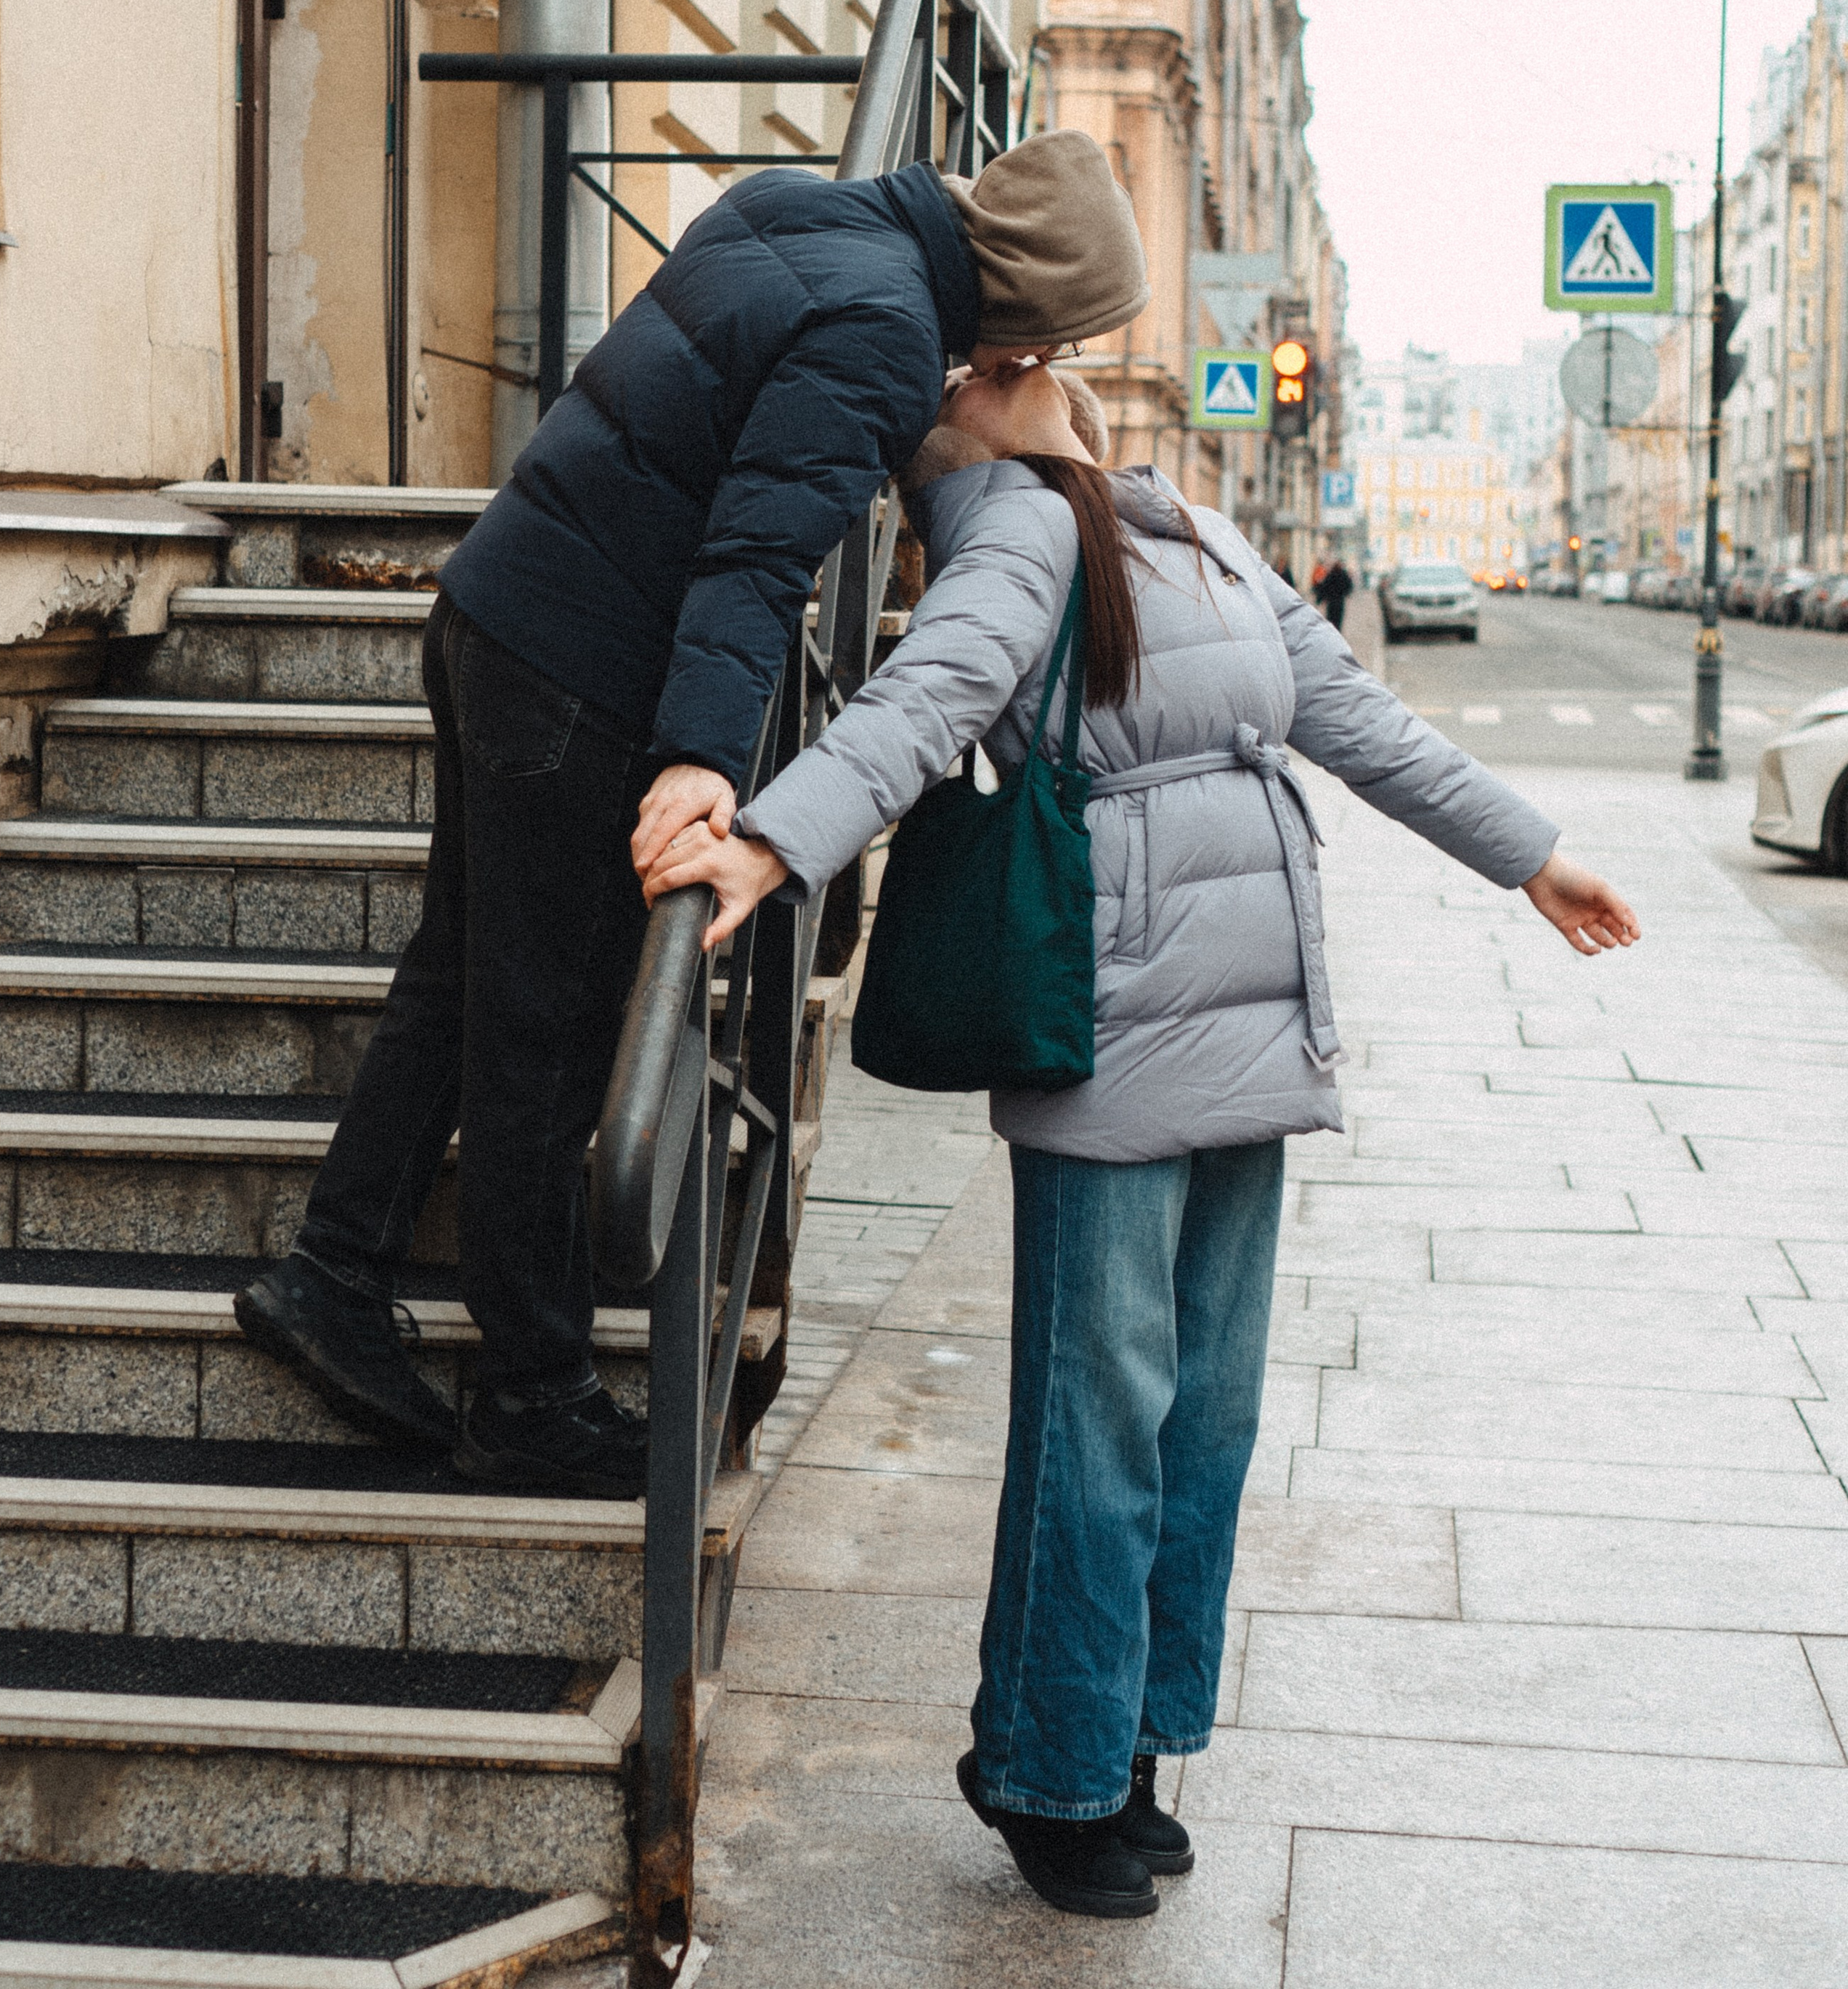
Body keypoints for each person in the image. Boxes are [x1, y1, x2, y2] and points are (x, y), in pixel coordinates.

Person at [645, 363, 1638, 1919]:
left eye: (1049, 360)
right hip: (1107, 1022)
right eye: (1005, 371)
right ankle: (1047, 1768)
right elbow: (927, 700)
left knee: (1205, 1424)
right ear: (955, 428)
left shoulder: (1195, 532)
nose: (1060, 383)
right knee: (1097, 1427)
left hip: (1252, 1021)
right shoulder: (1014, 535)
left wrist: (1531, 858)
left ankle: (1127, 1748)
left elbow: (1357, 720)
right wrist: (775, 843)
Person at [234, 134, 1150, 1494]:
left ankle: (335, 1272)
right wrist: (701, 758)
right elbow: (758, 551)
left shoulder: (797, 208)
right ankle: (531, 1396)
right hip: (584, 676)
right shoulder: (889, 334)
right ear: (1027, 309)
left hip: (497, 607)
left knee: (454, 979)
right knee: (545, 1039)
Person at [1315, 548, 1354, 629]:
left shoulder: (1331, 575)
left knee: (1331, 620)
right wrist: (1346, 593)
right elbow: (1349, 587)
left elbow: (1325, 587)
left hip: (1331, 601)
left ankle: (1332, 634)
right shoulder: (1344, 575)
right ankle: (1337, 635)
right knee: (1338, 620)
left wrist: (1320, 599)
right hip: (1339, 601)